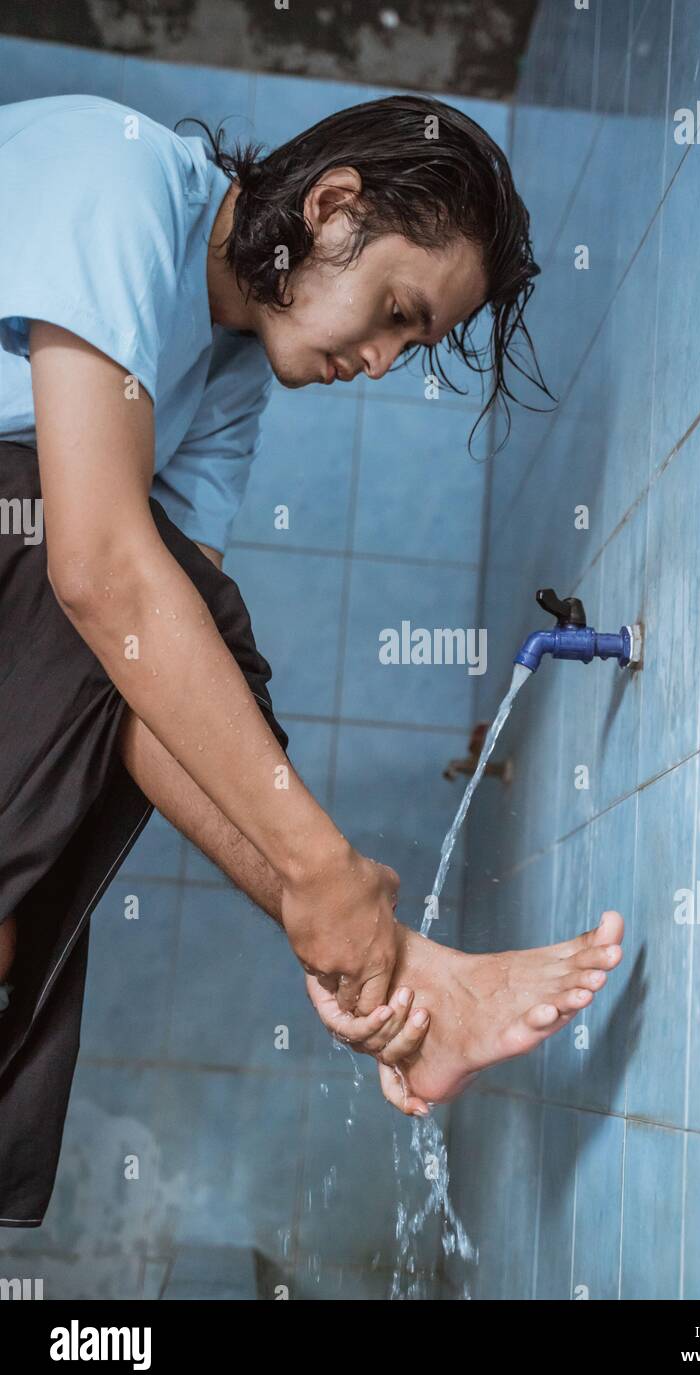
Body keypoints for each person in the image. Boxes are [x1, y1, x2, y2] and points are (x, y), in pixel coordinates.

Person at [0, 90, 624, 1227]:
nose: (381, 362)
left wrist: (344, 930)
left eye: (410, 341)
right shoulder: (116, 176)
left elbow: (142, 692)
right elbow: (95, 569)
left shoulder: (224, 380)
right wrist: (324, 873)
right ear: (332, 208)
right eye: (393, 308)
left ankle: (419, 981)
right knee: (115, 552)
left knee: (180, 634)